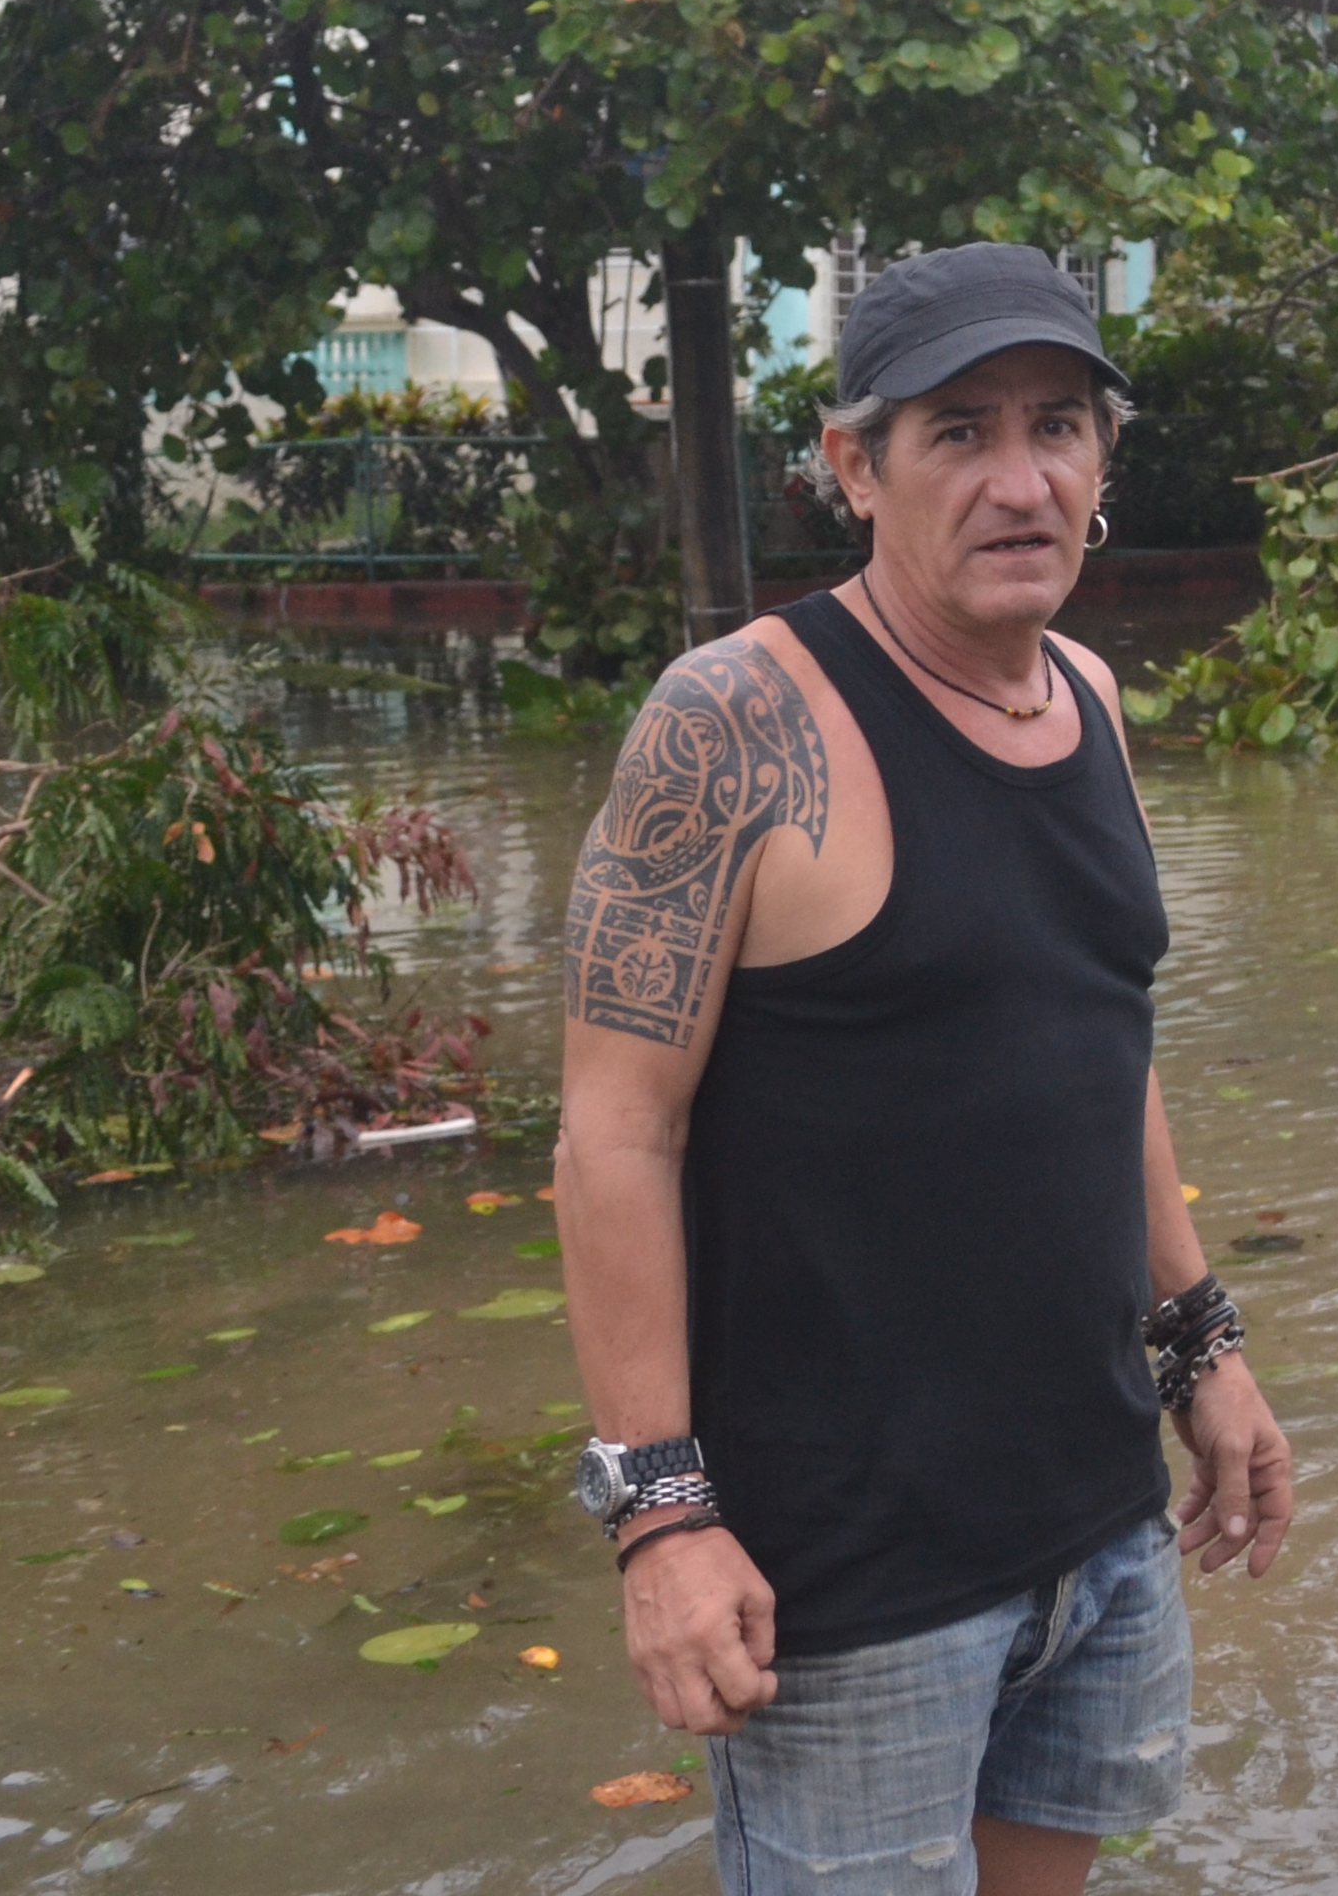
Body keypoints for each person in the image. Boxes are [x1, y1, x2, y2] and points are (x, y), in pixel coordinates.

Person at [553, 244, 1294, 1896]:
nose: (1018, 480)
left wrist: (1199, 1345)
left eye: (1057, 426)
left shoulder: (1093, 698)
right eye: (957, 432)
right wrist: (662, 1523)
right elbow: (614, 1134)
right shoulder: (734, 725)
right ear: (853, 468)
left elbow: (1104, 1041)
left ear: (1106, 458)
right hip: (851, 1584)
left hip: (1097, 1525)